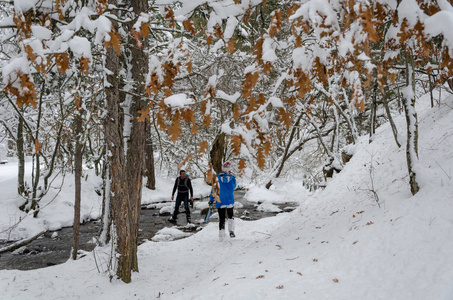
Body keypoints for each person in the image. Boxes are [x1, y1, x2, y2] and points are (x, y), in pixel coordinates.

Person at [209, 162, 237, 241]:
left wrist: (211, 199)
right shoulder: (232, 178)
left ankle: (221, 234)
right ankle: (231, 232)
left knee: (221, 218)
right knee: (230, 216)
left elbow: (213, 190)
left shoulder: (217, 178)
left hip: (220, 201)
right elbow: (233, 187)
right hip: (229, 200)